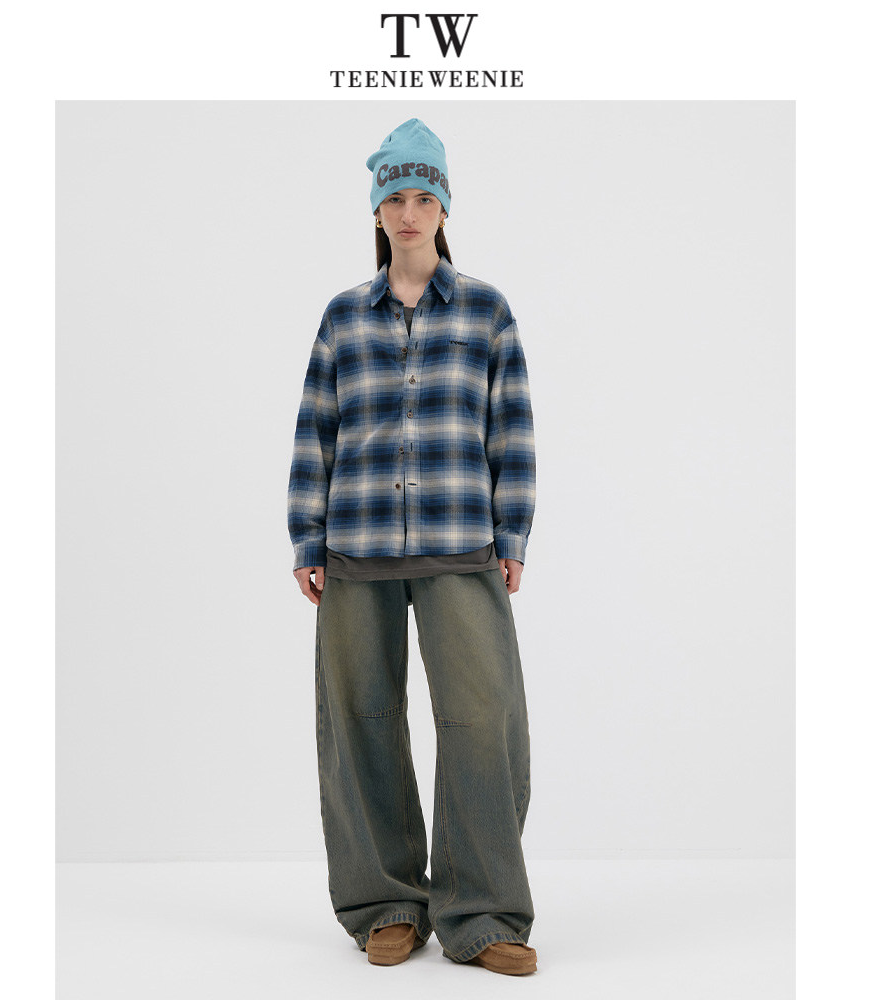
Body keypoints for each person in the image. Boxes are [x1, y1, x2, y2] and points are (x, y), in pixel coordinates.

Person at [287, 118, 538, 976]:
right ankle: (384, 904)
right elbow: (315, 431)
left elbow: (511, 430)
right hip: (354, 544)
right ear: (376, 208)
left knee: (484, 720)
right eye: (394, 197)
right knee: (359, 719)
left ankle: (484, 911)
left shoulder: (486, 312)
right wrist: (306, 536)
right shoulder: (342, 319)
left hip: (462, 542)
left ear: (444, 207)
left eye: (423, 197)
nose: (408, 212)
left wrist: (513, 532)